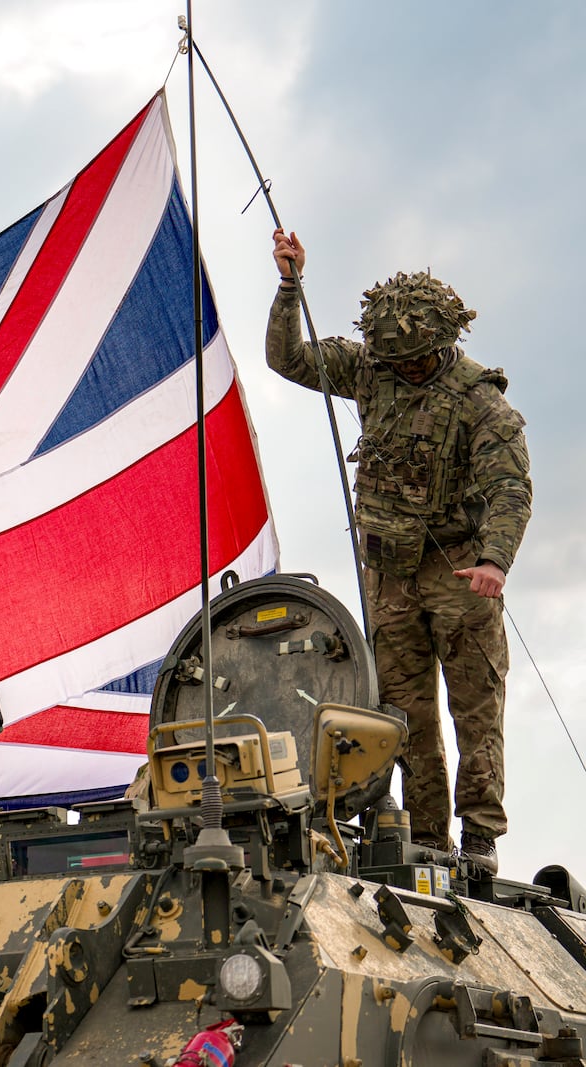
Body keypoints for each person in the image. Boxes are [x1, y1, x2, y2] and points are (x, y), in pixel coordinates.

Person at [266, 229, 532, 874]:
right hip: (388, 573)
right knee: (403, 709)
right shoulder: (369, 368)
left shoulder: (481, 404)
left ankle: (480, 838)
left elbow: (510, 488)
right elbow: (288, 359)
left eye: (418, 359)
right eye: (398, 360)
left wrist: (495, 561)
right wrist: (290, 284)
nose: (407, 369)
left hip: (458, 570)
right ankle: (427, 837)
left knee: (475, 704)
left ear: (445, 342)